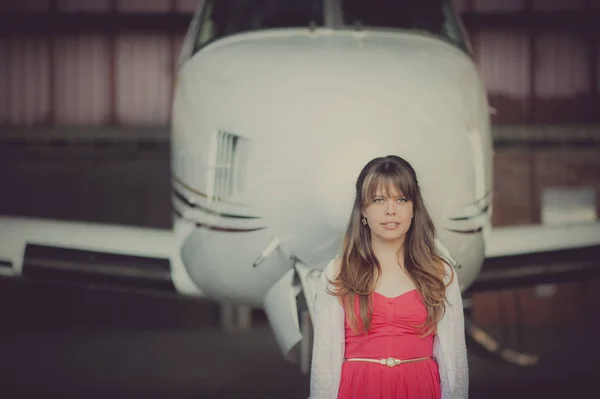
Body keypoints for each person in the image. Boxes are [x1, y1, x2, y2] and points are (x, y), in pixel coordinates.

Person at [309, 155, 468, 399]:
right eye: (378, 200)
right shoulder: (339, 272)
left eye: (401, 199)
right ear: (363, 209)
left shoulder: (440, 274)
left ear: (414, 208)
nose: (390, 210)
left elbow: (454, 362)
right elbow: (324, 359)